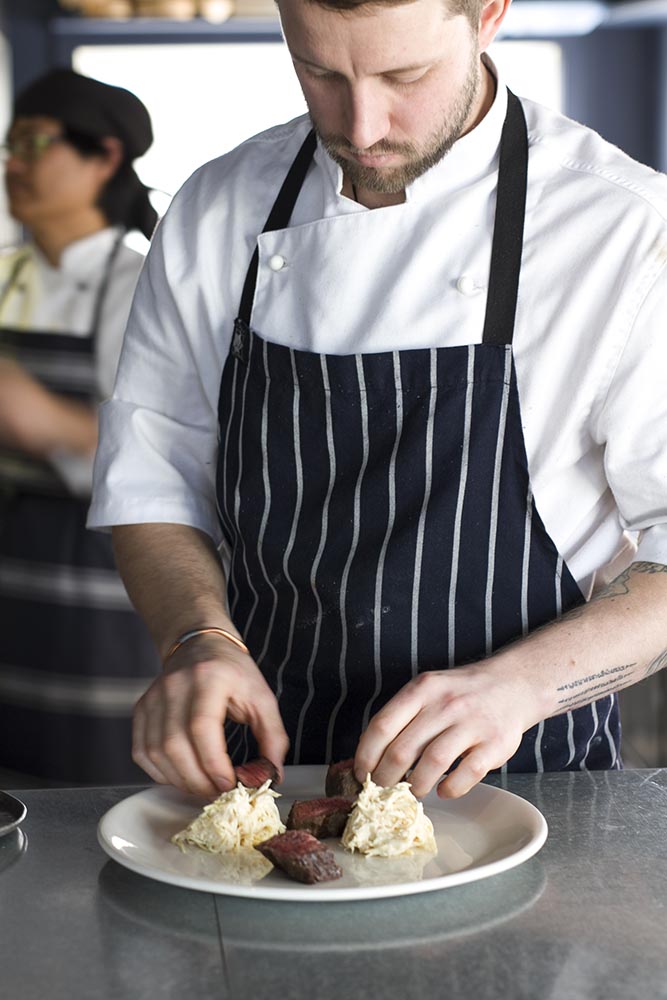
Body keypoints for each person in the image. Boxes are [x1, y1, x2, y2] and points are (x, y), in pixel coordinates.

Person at [89, 0, 667, 802]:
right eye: (319, 71)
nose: (360, 126)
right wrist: (195, 637)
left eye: (405, 75)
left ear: (487, 14)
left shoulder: (622, 227)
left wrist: (522, 685)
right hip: (260, 777)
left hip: (525, 780)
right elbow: (152, 483)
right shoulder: (218, 207)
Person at [0, 69, 162, 784]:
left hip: (95, 602)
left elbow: (174, 455)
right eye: (10, 146)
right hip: (12, 586)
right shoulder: (8, 275)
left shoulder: (140, 283)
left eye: (34, 143)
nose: (14, 163)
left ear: (104, 157)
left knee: (86, 801)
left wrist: (42, 419)